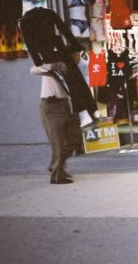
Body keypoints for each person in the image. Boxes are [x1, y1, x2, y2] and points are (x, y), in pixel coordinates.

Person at [30, 56, 81, 184]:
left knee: (74, 139)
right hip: (51, 104)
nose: (79, 57)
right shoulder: (50, 69)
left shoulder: (71, 70)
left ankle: (56, 165)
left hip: (65, 105)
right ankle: (56, 175)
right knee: (58, 142)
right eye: (77, 55)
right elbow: (33, 70)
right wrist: (52, 65)